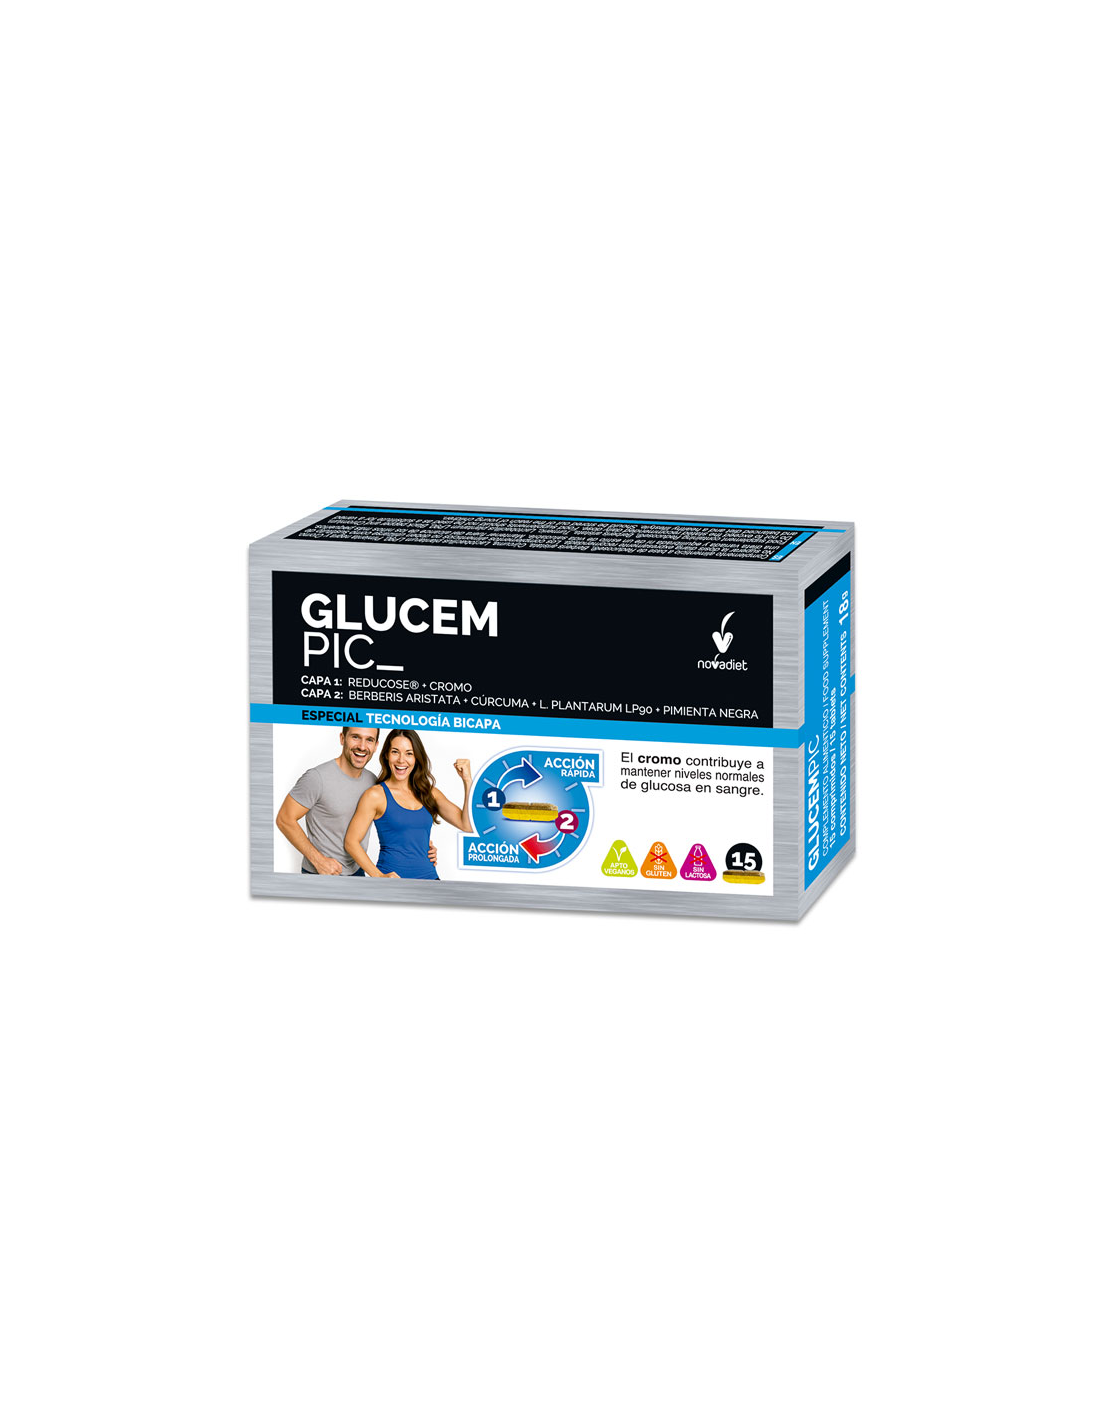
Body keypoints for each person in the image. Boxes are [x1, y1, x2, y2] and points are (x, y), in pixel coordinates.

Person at [276, 725, 436, 876]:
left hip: (357, 872)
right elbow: (284, 819)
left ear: (376, 746)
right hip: (320, 873)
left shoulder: (373, 782)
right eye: (355, 737)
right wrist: (318, 861)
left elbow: (397, 821)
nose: (362, 746)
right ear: (342, 738)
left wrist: (422, 849)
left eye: (369, 740)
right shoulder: (317, 778)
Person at [344, 730, 473, 879]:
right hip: (392, 883)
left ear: (416, 758)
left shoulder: (429, 793)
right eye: (395, 752)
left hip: (431, 880)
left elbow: (467, 825)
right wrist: (378, 876)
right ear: (386, 755)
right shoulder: (375, 795)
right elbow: (351, 842)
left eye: (409, 753)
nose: (401, 760)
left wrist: (467, 780)